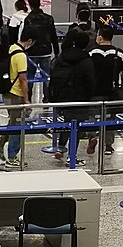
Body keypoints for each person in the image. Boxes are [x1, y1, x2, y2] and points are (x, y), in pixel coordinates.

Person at [48, 31, 95, 166]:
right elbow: (90, 83)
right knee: (77, 128)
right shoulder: (86, 61)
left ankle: (61, 148)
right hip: (80, 99)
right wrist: (88, 98)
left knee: (67, 123)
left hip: (62, 97)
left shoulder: (62, 57)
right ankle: (71, 157)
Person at [0, 26, 36, 168]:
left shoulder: (10, 48)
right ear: (29, 41)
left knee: (12, 122)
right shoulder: (21, 56)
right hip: (16, 94)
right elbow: (23, 79)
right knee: (17, 125)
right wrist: (26, 99)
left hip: (6, 92)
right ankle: (12, 157)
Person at [89, 26, 123, 156]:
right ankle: (108, 145)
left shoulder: (92, 52)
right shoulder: (118, 53)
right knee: (110, 117)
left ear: (100, 37)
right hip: (111, 91)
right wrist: (122, 85)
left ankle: (92, 137)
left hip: (94, 90)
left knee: (93, 115)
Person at [23, 0, 60, 100]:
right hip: (46, 51)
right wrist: (56, 52)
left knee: (30, 76)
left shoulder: (28, 19)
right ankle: (47, 98)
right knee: (46, 77)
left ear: (29, 5)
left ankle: (28, 97)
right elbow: (53, 36)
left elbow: (25, 36)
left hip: (32, 52)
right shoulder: (49, 19)